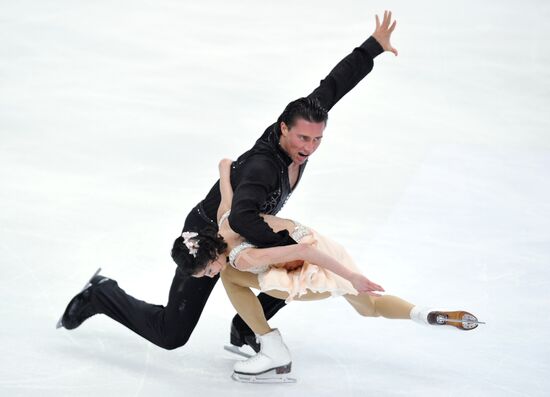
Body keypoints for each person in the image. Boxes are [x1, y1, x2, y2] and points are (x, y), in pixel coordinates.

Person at [57, 11, 399, 352]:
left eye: (316, 139)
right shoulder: (263, 167)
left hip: (240, 229)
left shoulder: (300, 123)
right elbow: (239, 219)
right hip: (207, 235)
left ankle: (245, 327)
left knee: (293, 269)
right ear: (283, 128)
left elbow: (330, 89)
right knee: (171, 334)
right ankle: (102, 294)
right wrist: (285, 241)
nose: (308, 147)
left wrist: (371, 48)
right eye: (302, 139)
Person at [170, 158, 482, 381]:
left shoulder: (241, 260)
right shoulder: (226, 218)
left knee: (231, 278)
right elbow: (226, 171)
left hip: (307, 267)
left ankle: (272, 347)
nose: (209, 275)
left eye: (206, 270)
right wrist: (226, 167)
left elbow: (302, 252)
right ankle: (423, 313)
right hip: (322, 244)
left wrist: (351, 278)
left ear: (211, 256)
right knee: (370, 308)